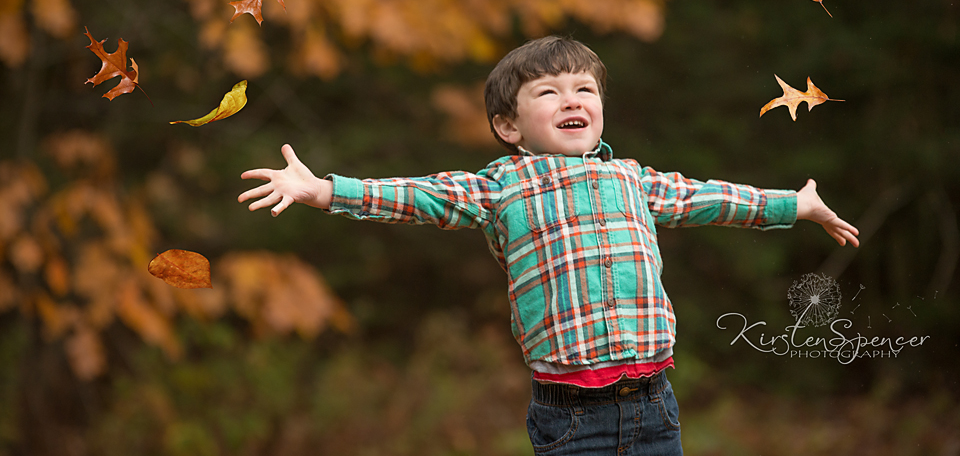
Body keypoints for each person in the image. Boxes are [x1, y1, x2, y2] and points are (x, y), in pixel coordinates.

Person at [238, 35, 859, 455]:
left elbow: (715, 199)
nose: (572, 100)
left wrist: (796, 204)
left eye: (585, 90)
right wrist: (324, 190)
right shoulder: (498, 187)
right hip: (571, 416)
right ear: (509, 126)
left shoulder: (633, 179)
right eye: (549, 92)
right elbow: (414, 195)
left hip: (655, 405)